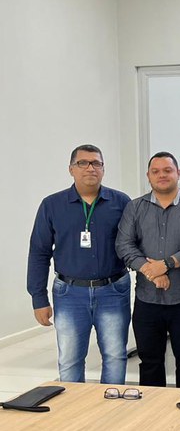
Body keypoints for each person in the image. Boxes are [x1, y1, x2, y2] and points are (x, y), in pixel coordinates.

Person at [27, 144, 131, 384]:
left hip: (113, 290)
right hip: (69, 292)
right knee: (70, 359)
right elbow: (39, 253)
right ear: (71, 169)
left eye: (96, 163)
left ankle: (112, 411)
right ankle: (72, 413)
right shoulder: (52, 205)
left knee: (115, 356)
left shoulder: (121, 202)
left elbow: (133, 244)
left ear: (103, 169)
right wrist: (38, 298)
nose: (90, 168)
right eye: (83, 163)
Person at [116, 151, 180, 389]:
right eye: (155, 171)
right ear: (148, 176)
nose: (162, 175)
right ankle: (152, 413)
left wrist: (167, 264)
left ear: (178, 173)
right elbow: (124, 244)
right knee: (150, 361)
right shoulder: (135, 207)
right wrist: (150, 270)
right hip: (147, 298)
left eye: (167, 170)